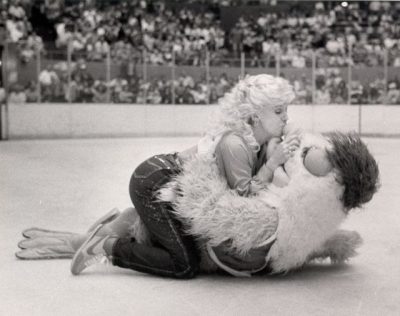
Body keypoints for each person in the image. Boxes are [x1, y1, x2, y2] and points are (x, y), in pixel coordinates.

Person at [17, 74, 300, 279]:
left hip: (163, 179)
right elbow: (242, 200)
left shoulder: (255, 142)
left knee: (175, 249)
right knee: (184, 264)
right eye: (278, 110)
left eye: (286, 110)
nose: (286, 117)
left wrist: (273, 155)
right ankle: (108, 245)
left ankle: (116, 225)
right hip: (155, 182)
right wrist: (273, 162)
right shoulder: (235, 143)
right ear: (253, 116)